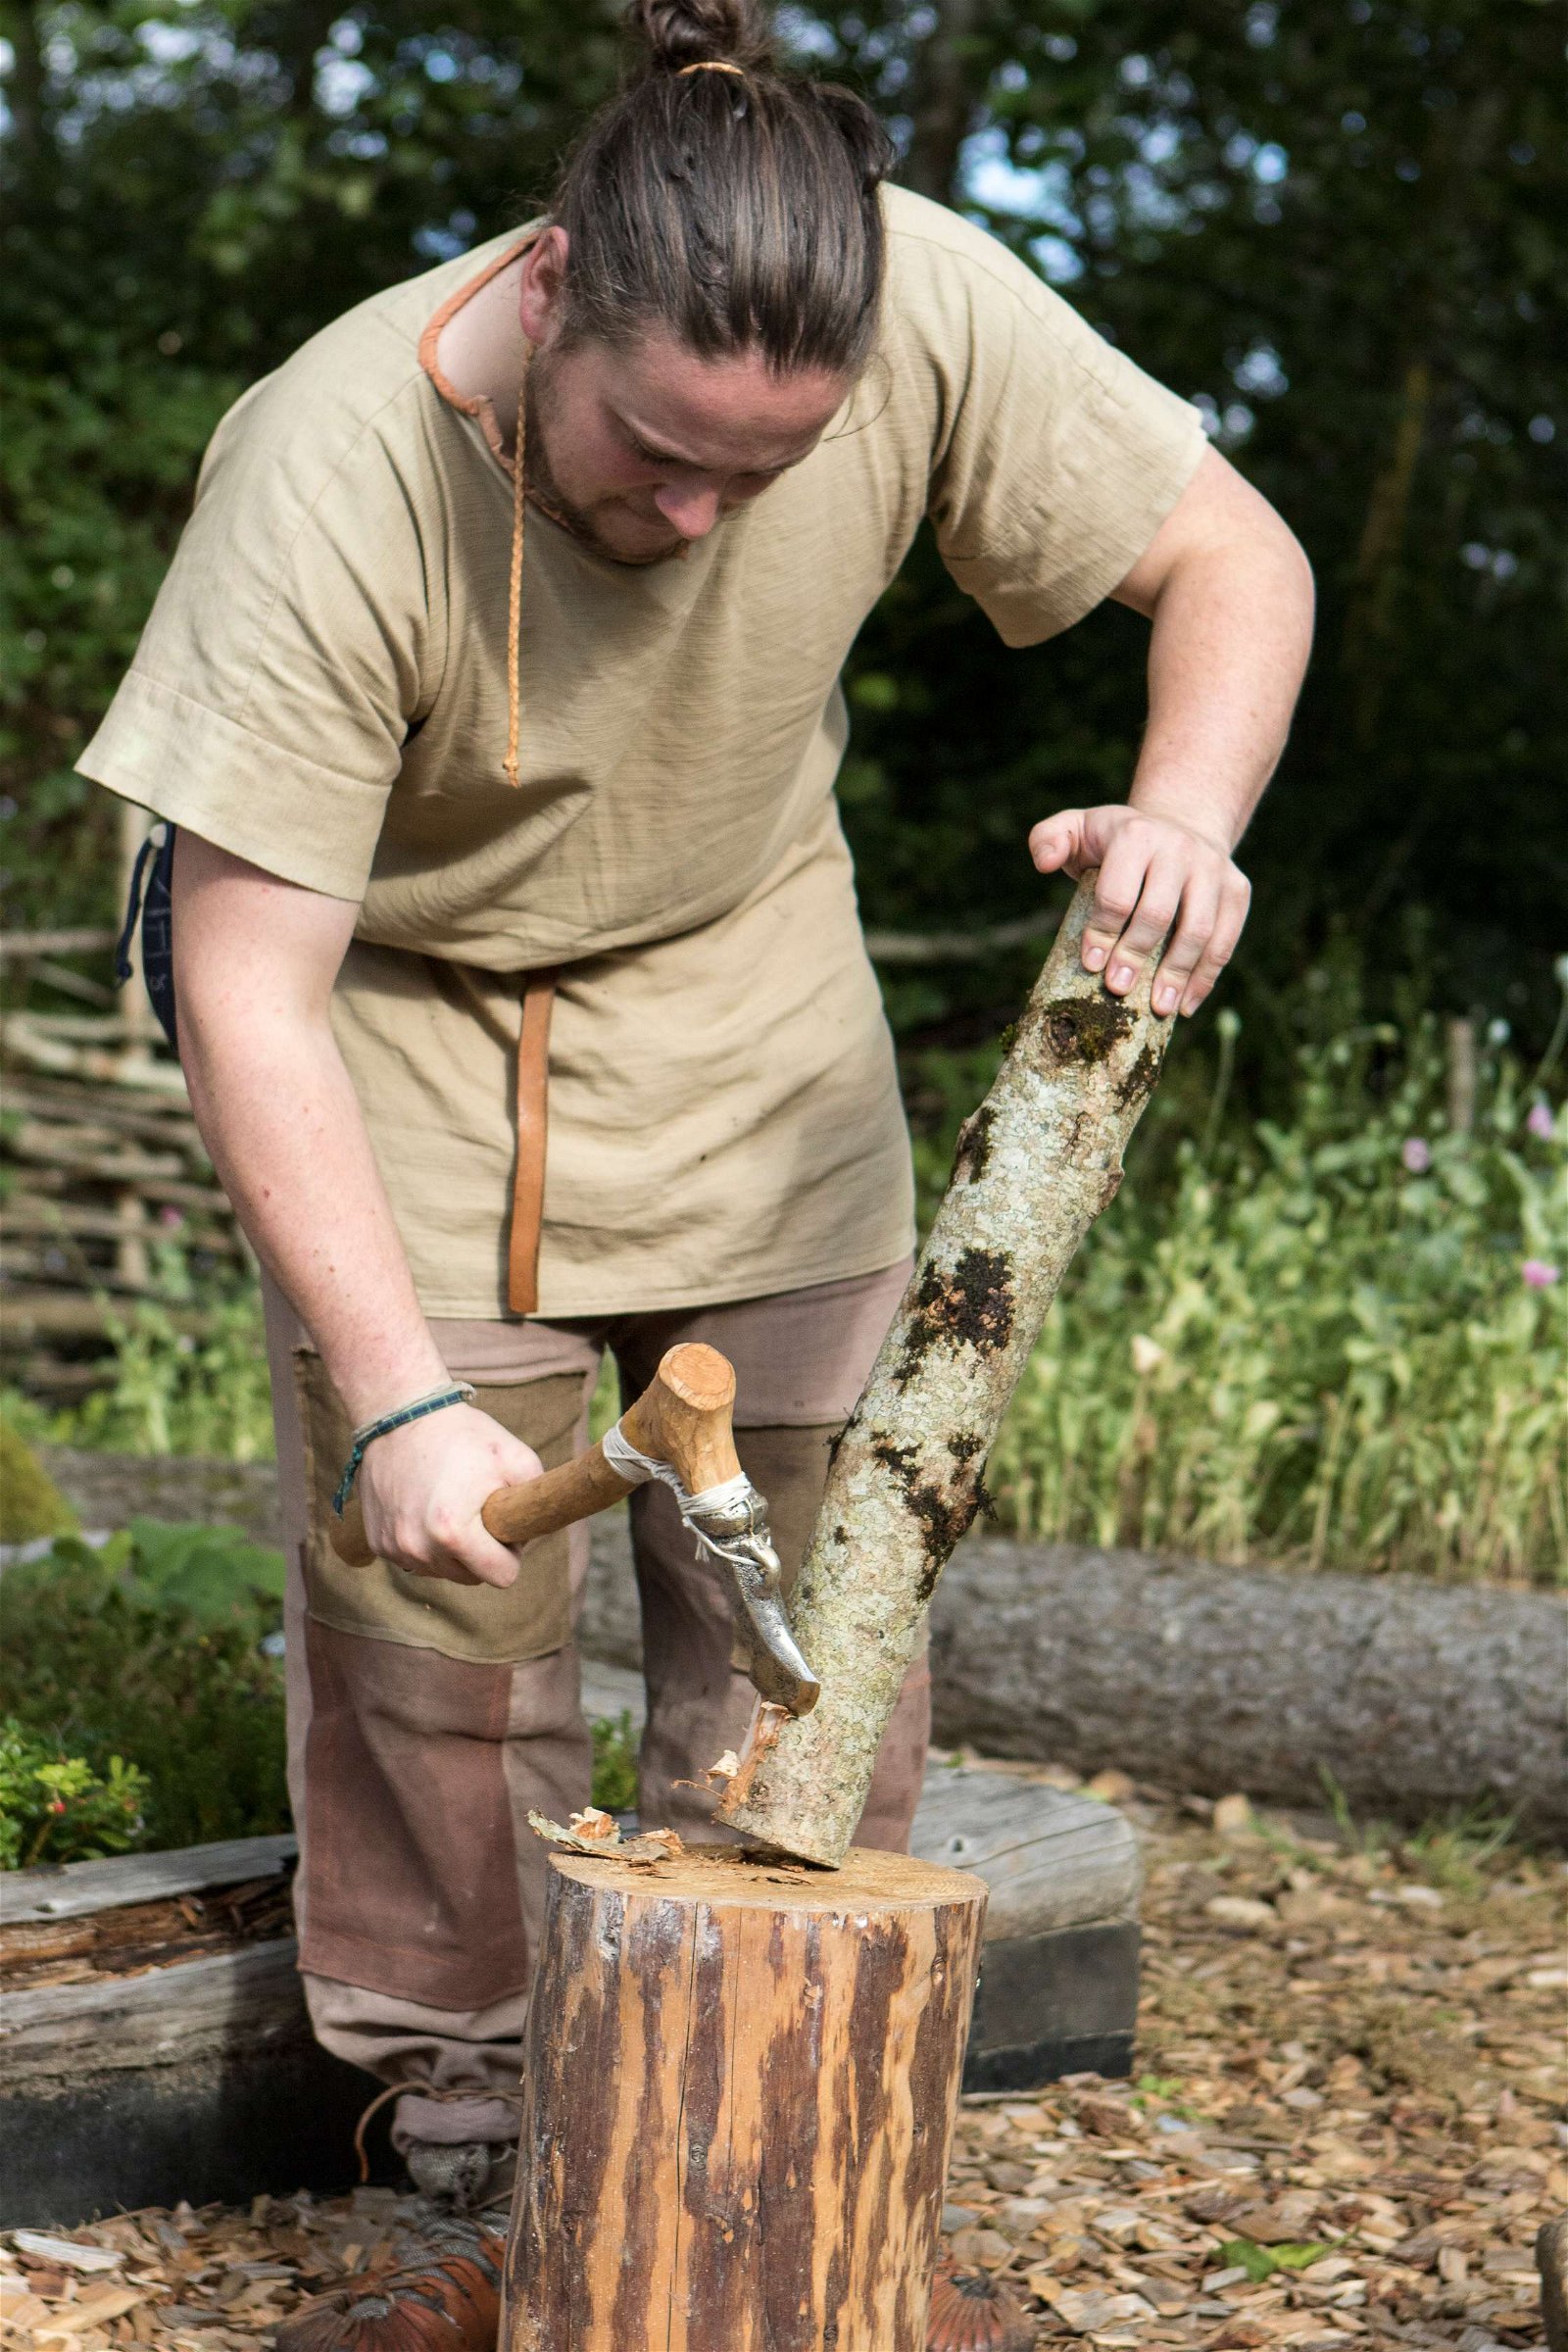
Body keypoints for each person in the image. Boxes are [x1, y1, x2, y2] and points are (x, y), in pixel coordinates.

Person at [81, 0, 1312, 2338]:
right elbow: (247, 980)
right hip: (404, 1012)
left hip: (746, 974)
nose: (700, 522)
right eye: (654, 456)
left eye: (766, 475)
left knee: (826, 1598)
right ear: (552, 285)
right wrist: (401, 1396)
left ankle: (769, 2096)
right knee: (439, 1623)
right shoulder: (332, 467)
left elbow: (1230, 559)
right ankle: (462, 2119)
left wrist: (1185, 820)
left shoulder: (916, 291)